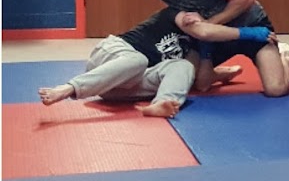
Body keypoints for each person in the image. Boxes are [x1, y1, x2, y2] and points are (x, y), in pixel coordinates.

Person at [121, 0, 289, 97]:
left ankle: (286, 62)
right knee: (187, 80)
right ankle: (220, 73)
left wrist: (209, 24)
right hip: (217, 38)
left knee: (275, 89)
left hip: (252, 29)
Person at [36, 7, 258, 118]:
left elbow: (197, 82)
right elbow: (192, 20)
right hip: (112, 56)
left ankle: (161, 104)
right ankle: (69, 88)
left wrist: (221, 73)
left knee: (183, 67)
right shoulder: (179, 15)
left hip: (118, 87)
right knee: (138, 60)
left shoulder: (196, 48)